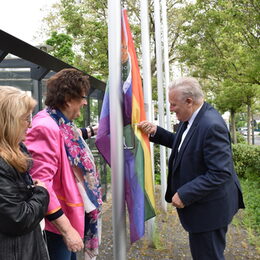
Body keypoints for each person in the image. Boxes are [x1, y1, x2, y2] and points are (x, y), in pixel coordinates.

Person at [138, 77, 244, 260]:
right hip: (204, 207)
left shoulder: (211, 125)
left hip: (210, 212)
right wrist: (156, 132)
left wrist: (185, 193)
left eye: (173, 104)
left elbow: (220, 172)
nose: (170, 109)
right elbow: (184, 144)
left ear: (189, 101)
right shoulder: (193, 117)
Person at [25, 68, 102, 260]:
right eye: (83, 97)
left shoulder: (60, 122)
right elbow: (41, 183)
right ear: (68, 98)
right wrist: (67, 230)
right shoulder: (45, 126)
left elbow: (69, 141)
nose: (85, 102)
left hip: (68, 216)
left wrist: (94, 130)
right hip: (57, 224)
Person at [0, 86, 50, 260]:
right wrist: (41, 192)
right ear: (9, 121)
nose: (30, 124)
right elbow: (18, 219)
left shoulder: (16, 149)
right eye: (25, 118)